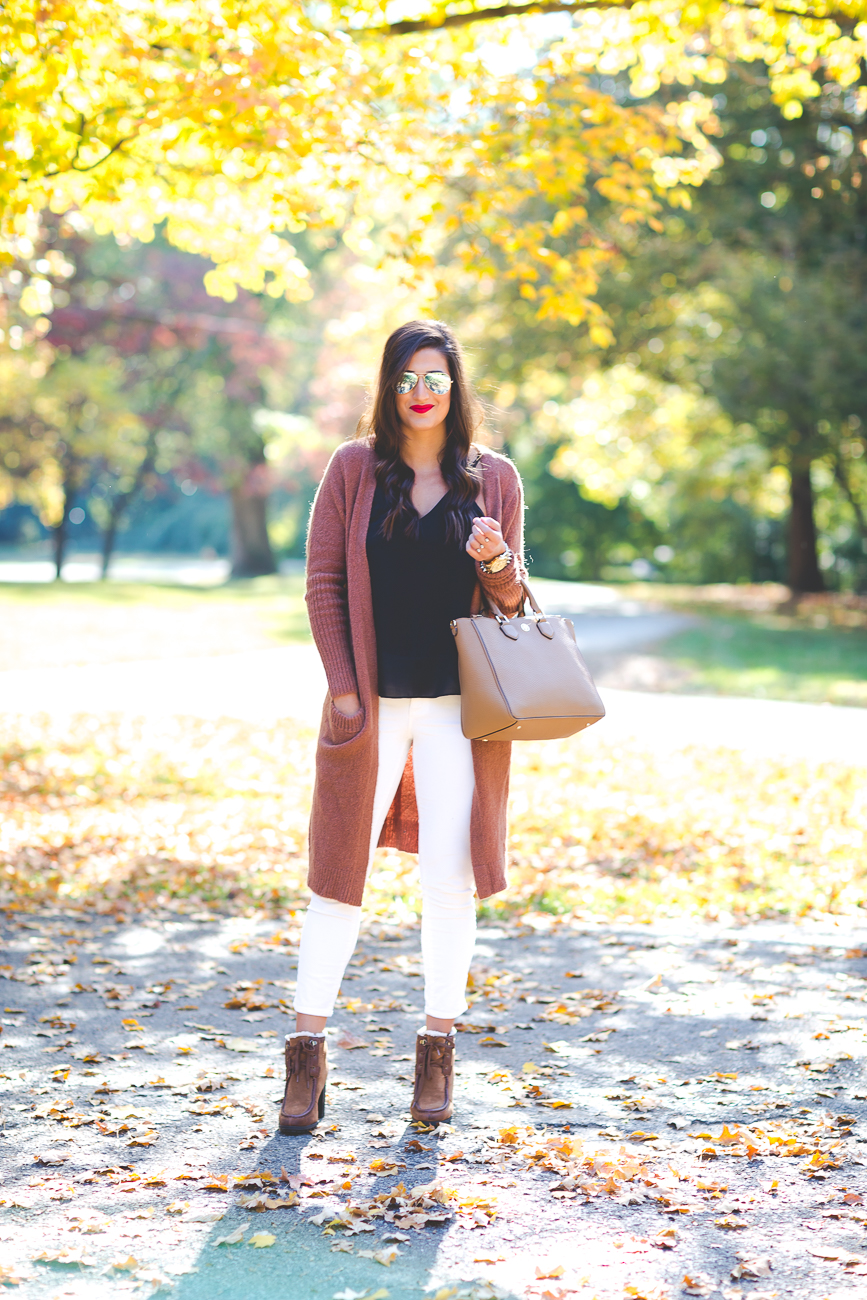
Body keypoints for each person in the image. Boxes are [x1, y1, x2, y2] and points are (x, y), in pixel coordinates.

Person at [278, 320, 527, 1134]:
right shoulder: (353, 470)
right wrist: (345, 692)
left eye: (436, 378)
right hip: (370, 710)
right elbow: (322, 586)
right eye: (405, 379)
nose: (421, 393)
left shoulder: (494, 480)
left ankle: (435, 1057)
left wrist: (494, 562)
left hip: (462, 713)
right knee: (336, 879)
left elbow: (514, 608)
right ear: (387, 390)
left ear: (456, 390)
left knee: (448, 882)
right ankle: (305, 1063)